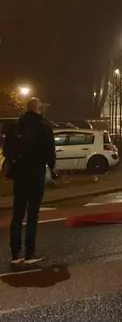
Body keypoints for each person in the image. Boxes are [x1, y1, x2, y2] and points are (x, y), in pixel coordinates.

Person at [4, 98, 57, 265]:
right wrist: (52, 167)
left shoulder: (16, 125)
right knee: (33, 214)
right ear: (39, 108)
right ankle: (29, 253)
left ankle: (14, 253)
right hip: (35, 174)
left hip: (19, 175)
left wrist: (15, 160)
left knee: (17, 214)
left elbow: (6, 149)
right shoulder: (43, 126)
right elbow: (50, 151)